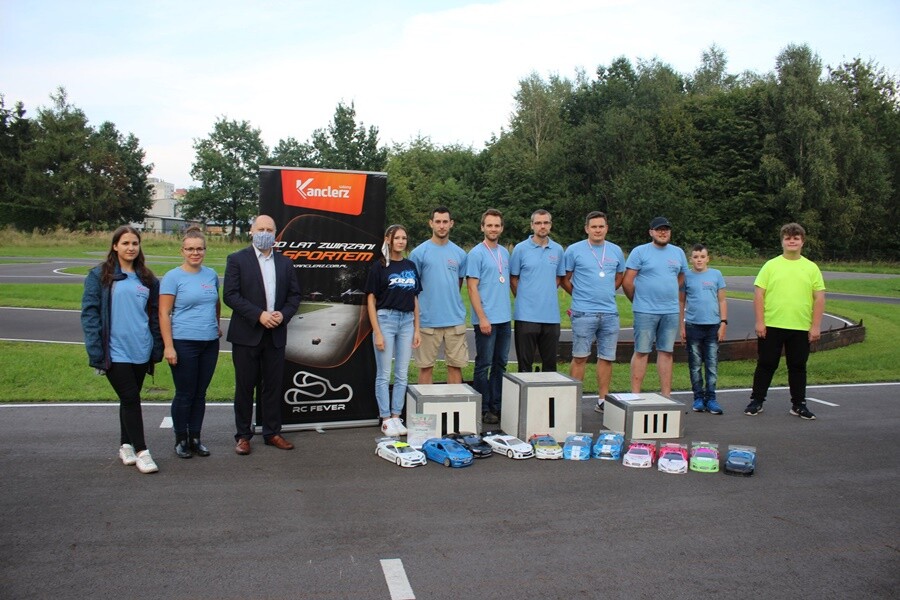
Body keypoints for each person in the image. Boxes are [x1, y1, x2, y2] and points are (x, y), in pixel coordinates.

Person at [81, 226, 163, 474]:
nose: (130, 248)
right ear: (115, 246)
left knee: (129, 399)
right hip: (115, 350)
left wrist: (156, 346)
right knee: (130, 398)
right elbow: (90, 314)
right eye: (125, 243)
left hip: (141, 348)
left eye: (135, 243)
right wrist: (96, 350)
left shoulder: (148, 279)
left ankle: (125, 445)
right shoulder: (99, 275)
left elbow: (154, 316)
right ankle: (142, 451)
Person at [224, 215, 302, 455]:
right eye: (261, 229)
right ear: (251, 231)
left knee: (273, 386)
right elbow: (230, 295)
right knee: (245, 387)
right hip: (247, 335)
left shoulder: (285, 263)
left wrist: (283, 315)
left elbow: (294, 296)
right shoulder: (237, 259)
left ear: (275, 234)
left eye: (269, 229)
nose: (265, 233)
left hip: (275, 335)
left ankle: (272, 432)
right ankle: (243, 436)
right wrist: (259, 315)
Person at [745, 223, 825, 420]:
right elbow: (759, 294)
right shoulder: (771, 266)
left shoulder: (811, 268)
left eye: (796, 238)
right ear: (782, 241)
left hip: (800, 326)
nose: (792, 241)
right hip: (772, 324)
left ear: (802, 242)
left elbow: (819, 298)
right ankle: (757, 400)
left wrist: (815, 326)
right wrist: (760, 322)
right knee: (766, 364)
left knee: (798, 366)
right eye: (788, 238)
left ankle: (799, 404)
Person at [159, 226, 221, 458]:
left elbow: (215, 303)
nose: (195, 253)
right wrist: (169, 346)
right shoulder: (173, 277)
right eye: (190, 249)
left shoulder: (211, 275)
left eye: (199, 249)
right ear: (182, 251)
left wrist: (216, 325)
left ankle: (195, 437)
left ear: (205, 250)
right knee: (185, 393)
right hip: (184, 341)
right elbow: (164, 313)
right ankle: (181, 439)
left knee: (200, 393)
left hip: (209, 342)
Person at [562, 211, 626, 411]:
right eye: (594, 227)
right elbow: (565, 278)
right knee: (580, 357)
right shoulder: (574, 250)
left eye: (601, 226)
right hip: (583, 313)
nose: (598, 230)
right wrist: (579, 294)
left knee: (606, 357)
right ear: (587, 229)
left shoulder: (615, 250)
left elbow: (620, 276)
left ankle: (602, 400)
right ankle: (572, 401)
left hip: (609, 313)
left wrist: (607, 292)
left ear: (606, 228)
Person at [365, 224, 422, 437]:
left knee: (402, 373)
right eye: (397, 238)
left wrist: (417, 329)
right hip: (385, 320)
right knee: (384, 373)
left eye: (404, 238)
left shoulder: (410, 265)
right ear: (388, 240)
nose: (401, 241)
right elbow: (371, 300)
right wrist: (377, 332)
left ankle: (397, 416)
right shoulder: (378, 267)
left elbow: (415, 299)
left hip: (407, 321)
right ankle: (386, 418)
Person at [623, 216, 688, 397]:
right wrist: (638, 300)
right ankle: (635, 395)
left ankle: (666, 396)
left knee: (666, 352)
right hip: (645, 311)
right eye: (659, 229)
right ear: (651, 232)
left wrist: (668, 290)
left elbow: (681, 276)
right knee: (642, 351)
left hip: (670, 311)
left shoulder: (678, 252)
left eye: (666, 229)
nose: (663, 232)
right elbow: (627, 282)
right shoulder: (640, 252)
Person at [409, 207, 469, 384]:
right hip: (427, 321)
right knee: (425, 368)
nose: (441, 226)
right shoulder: (418, 253)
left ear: (451, 224)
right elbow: (413, 289)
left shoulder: (460, 253)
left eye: (445, 222)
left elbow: (458, 283)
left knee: (455, 367)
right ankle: (425, 404)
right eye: (438, 222)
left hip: (454, 320)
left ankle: (455, 402)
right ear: (431, 223)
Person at [466, 208, 511, 424]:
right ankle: (483, 407)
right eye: (489, 225)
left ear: (501, 228)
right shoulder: (476, 254)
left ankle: (497, 404)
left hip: (504, 319)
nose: (493, 229)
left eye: (497, 225)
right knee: (484, 364)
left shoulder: (505, 253)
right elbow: (472, 288)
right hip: (486, 319)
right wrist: (482, 317)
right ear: (482, 227)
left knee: (500, 364)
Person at [510, 209, 565, 374]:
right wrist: (525, 297)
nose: (542, 226)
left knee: (550, 366)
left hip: (551, 316)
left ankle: (547, 392)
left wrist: (544, 293)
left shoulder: (558, 250)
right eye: (538, 223)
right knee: (524, 367)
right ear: (532, 225)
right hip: (526, 316)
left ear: (550, 225)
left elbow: (558, 277)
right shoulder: (520, 249)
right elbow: (513, 278)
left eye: (546, 223)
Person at [679, 243, 727, 415]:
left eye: (702, 257)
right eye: (695, 257)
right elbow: (681, 301)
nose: (699, 260)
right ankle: (698, 397)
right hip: (693, 326)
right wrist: (682, 326)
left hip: (712, 326)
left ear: (708, 258)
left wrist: (723, 323)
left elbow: (722, 300)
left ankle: (711, 398)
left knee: (712, 364)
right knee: (695, 364)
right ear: (691, 259)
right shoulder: (686, 276)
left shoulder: (716, 275)